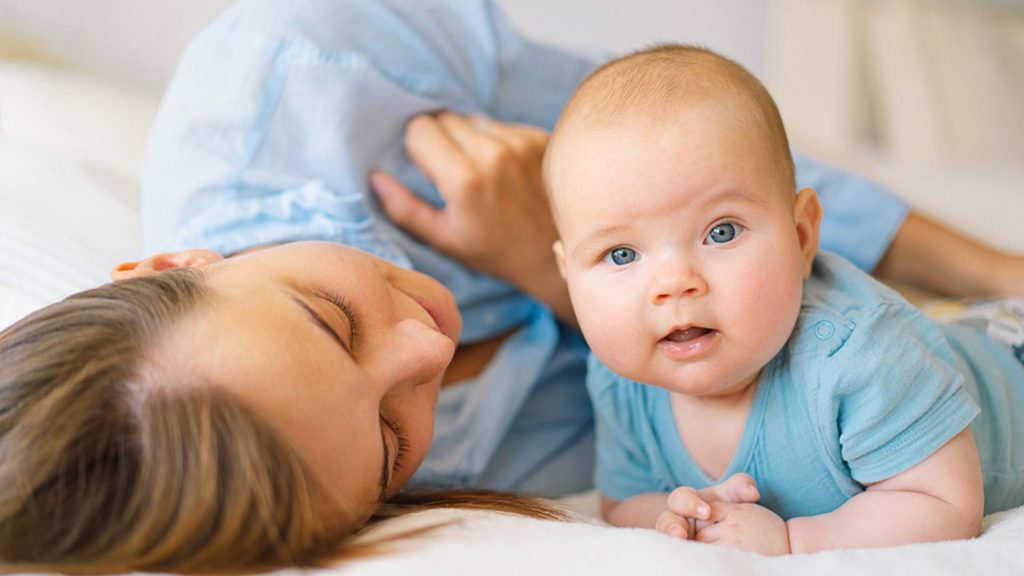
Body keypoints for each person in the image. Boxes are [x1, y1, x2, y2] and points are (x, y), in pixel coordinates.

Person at [0, 0, 1022, 571]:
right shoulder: (405, 489)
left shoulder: (307, 69)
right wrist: (543, 265)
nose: (424, 352)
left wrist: (998, 270)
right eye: (395, 439)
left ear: (174, 264)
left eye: (331, 319)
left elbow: (699, 139)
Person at [543, 43, 1024, 555]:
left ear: (801, 237)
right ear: (568, 273)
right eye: (620, 255)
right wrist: (687, 516)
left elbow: (943, 501)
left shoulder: (858, 355)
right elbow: (625, 501)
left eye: (721, 231)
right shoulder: (620, 381)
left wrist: (793, 539)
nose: (674, 283)